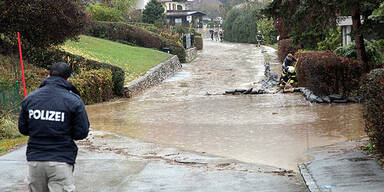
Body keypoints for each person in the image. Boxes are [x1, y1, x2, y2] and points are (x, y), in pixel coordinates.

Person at [18, 62, 90, 192]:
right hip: (61, 160)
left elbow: (23, 129)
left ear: (48, 75)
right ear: (68, 79)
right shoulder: (73, 100)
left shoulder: (30, 99)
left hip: (35, 160)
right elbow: (82, 132)